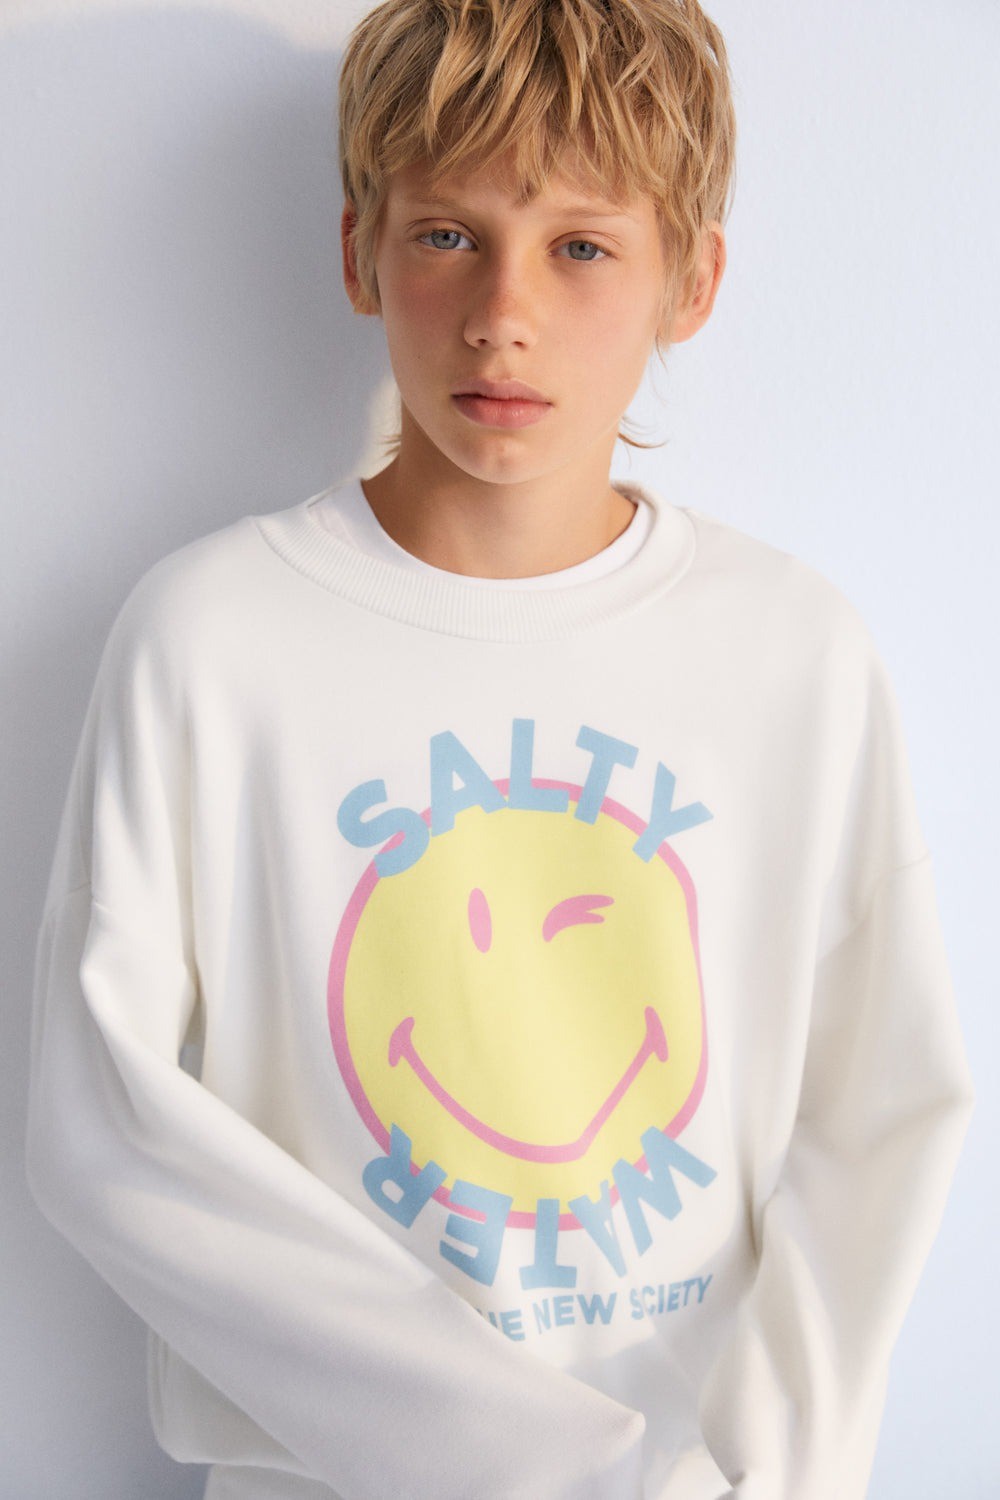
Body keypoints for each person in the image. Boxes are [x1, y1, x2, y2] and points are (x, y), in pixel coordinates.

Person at [25, 1, 974, 1497]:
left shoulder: (790, 651)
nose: (502, 313)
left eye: (581, 246)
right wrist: (559, 1466)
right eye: (448, 236)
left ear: (692, 280)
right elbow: (103, 1121)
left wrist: (770, 1477)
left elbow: (884, 1102)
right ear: (360, 253)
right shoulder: (211, 641)